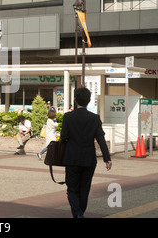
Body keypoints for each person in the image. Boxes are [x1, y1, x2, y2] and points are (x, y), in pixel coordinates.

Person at [60, 87, 112, 218]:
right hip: (89, 159)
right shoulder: (94, 118)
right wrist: (107, 158)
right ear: (89, 101)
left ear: (75, 100)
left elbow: (63, 137)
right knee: (84, 189)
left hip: (71, 158)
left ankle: (78, 214)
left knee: (72, 189)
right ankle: (79, 214)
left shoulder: (68, 117)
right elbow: (101, 139)